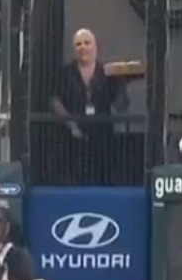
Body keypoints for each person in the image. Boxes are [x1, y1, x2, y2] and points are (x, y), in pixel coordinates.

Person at [48, 28, 131, 185]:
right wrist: (71, 125)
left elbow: (122, 107)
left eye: (87, 43)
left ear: (96, 47)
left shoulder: (108, 73)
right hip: (71, 142)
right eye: (78, 44)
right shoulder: (65, 74)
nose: (83, 47)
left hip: (103, 140)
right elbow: (55, 101)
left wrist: (123, 84)